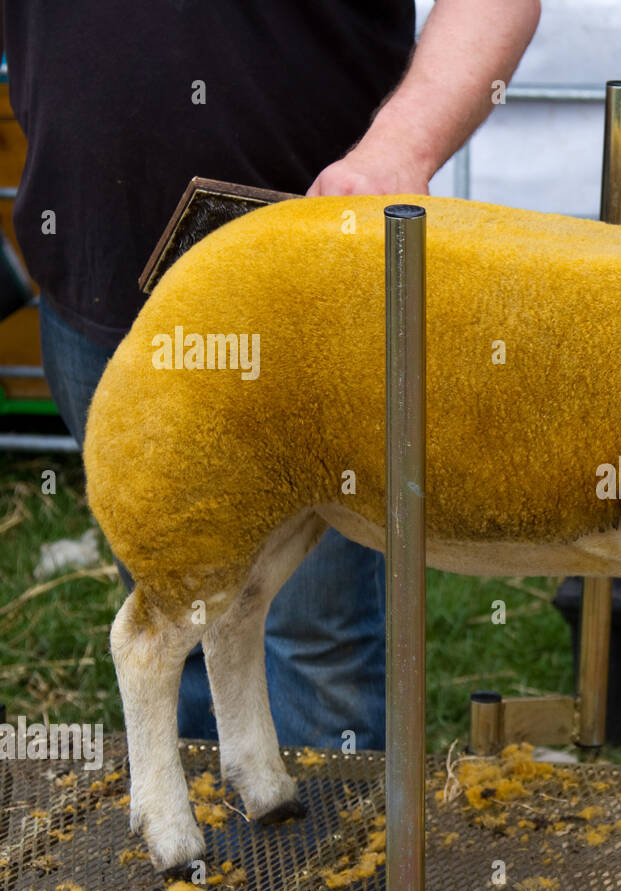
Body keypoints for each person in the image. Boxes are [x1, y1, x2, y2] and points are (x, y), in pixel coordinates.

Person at [1, 0, 541, 749]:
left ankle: (328, 861)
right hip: (93, 280)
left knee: (312, 645)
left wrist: (399, 149)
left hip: (303, 303)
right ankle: (201, 852)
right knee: (172, 613)